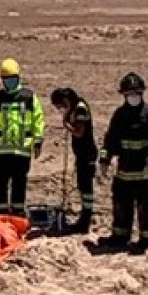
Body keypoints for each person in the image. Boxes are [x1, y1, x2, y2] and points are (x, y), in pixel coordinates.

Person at [97, 72, 148, 253]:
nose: (133, 97)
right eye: (129, 94)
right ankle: (120, 237)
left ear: (142, 93)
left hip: (145, 174)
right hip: (124, 173)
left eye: (136, 93)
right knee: (121, 207)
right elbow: (111, 139)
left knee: (146, 209)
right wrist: (105, 159)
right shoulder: (120, 115)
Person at [0, 57, 45, 217]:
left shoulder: (29, 97)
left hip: (22, 152)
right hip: (1, 153)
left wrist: (38, 142)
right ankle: (1, 216)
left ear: (18, 78)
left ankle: (17, 215)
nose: (10, 82)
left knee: (19, 184)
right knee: (1, 184)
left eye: (13, 79)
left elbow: (38, 119)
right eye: (7, 79)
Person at [50, 87, 98, 233]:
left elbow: (79, 132)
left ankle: (86, 220)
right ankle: (84, 217)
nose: (61, 109)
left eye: (60, 106)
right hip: (82, 154)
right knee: (82, 185)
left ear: (66, 100)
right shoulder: (75, 109)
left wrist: (67, 126)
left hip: (87, 154)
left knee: (86, 187)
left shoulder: (80, 109)